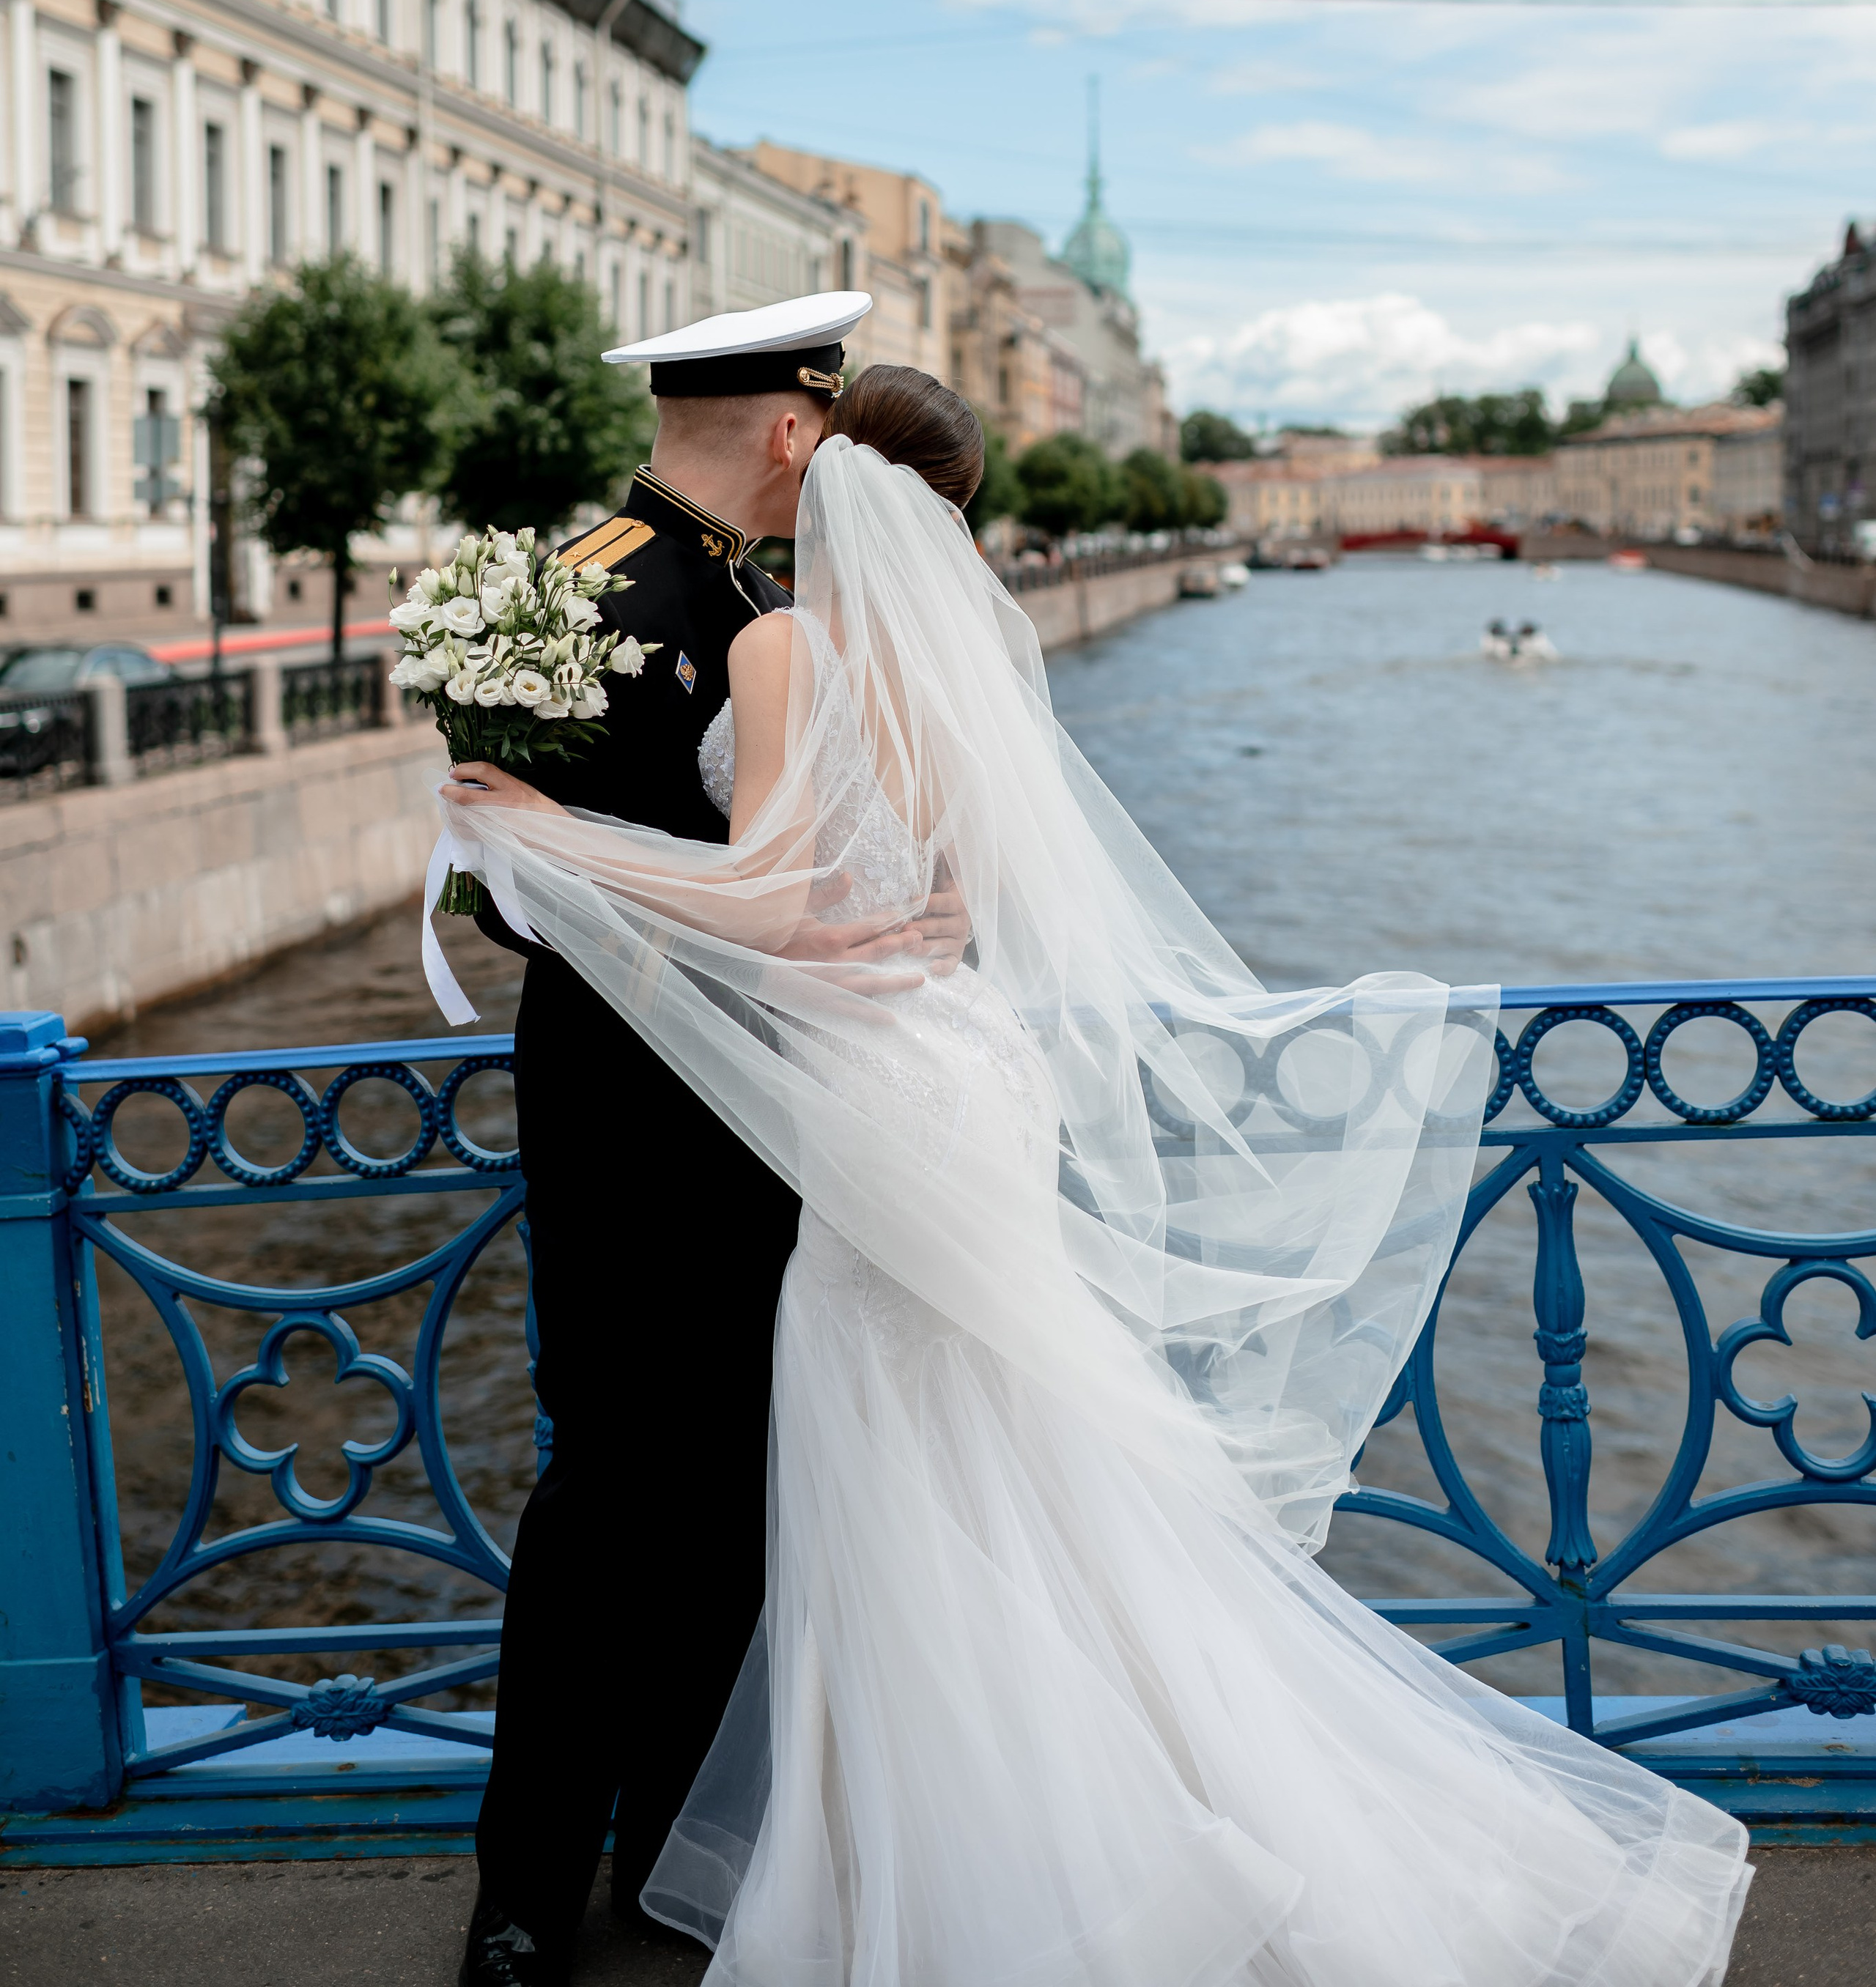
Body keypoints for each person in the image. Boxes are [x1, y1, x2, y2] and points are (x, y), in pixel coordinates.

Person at [443, 366, 1752, 1987]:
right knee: (964, 1454)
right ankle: (979, 1829)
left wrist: (542, 835)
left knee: (871, 1466)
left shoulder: (777, 639)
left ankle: (889, 1849)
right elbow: (943, 886)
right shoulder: (944, 646)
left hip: (859, 1091)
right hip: (936, 1071)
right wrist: (903, 909)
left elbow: (777, 898)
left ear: (822, 463)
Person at [457, 299, 967, 1987]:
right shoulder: (579, 591)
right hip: (625, 1110)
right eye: (823, 420)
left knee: (747, 1487)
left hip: (789, 1110)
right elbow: (499, 885)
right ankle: (526, 1891)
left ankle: (681, 1844)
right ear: (790, 423)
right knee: (609, 1487)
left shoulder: (773, 603)